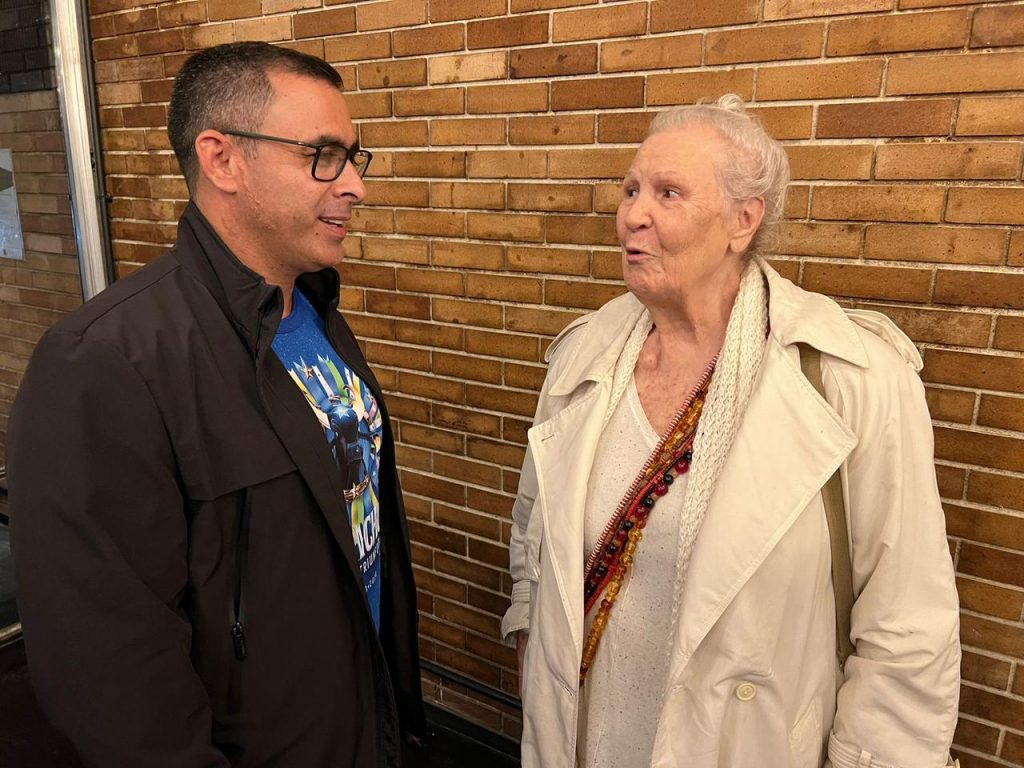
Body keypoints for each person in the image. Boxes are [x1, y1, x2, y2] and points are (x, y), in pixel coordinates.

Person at [502, 95, 961, 768]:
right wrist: (528, 633)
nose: (633, 213)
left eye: (668, 192)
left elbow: (906, 625)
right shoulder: (584, 355)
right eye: (631, 189)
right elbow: (534, 524)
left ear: (743, 221)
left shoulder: (849, 376)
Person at [8, 42, 425, 767]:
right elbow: (107, 668)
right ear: (222, 159)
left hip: (356, 725)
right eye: (323, 154)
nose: (355, 185)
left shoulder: (316, 312)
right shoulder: (106, 361)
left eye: (356, 156)